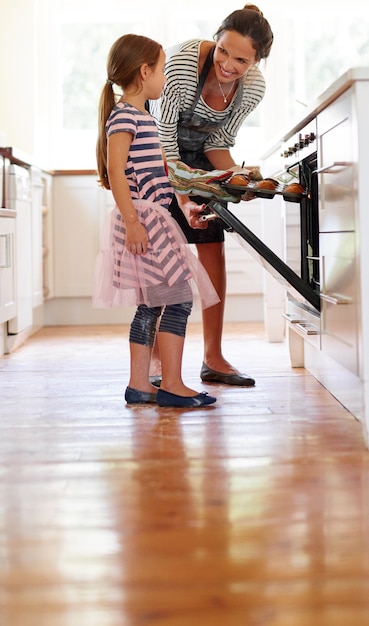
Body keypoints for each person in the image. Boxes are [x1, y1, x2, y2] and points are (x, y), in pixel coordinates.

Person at [149, 4, 274, 387]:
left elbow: (219, 142)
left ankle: (213, 357)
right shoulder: (183, 65)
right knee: (163, 250)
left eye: (241, 59)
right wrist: (185, 199)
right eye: (223, 51)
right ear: (215, 39)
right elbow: (164, 140)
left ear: (257, 61)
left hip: (200, 158)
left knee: (211, 244)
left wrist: (234, 178)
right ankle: (155, 361)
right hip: (155, 152)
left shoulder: (252, 89)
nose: (228, 64)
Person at [94, 34, 221, 408]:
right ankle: (172, 384)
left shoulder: (142, 116)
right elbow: (116, 171)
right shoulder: (125, 117)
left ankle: (140, 384)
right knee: (178, 299)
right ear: (144, 70)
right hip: (144, 221)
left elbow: (159, 177)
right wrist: (133, 223)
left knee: (152, 304)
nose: (165, 77)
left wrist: (183, 209)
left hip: (155, 217)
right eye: (162, 69)